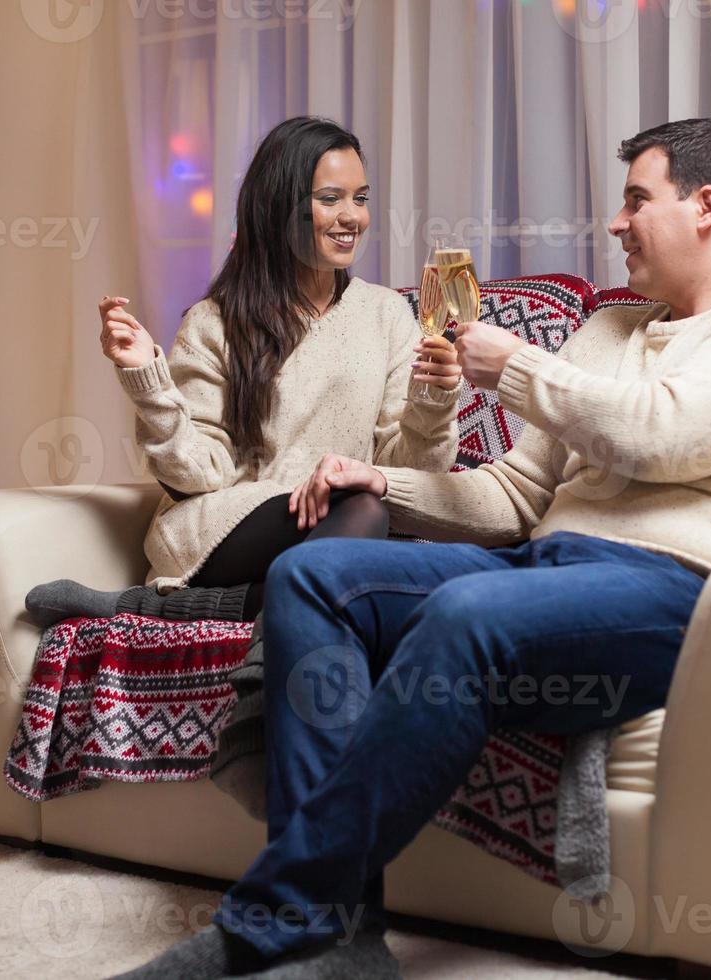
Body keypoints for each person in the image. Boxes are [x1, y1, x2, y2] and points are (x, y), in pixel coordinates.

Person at [111, 117, 711, 980]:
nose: (616, 224)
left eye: (634, 202)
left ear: (705, 206)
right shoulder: (609, 330)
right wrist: (378, 483)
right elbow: (510, 496)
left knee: (469, 610)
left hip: (682, 595)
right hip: (542, 571)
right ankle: (347, 944)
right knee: (316, 574)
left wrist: (516, 367)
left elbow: (663, 435)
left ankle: (270, 922)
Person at [26, 117, 462, 627]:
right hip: (225, 526)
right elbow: (197, 474)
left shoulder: (387, 314)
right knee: (360, 510)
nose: (352, 217)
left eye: (361, 199)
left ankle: (162, 611)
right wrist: (148, 380)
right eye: (330, 198)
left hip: (342, 524)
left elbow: (410, 471)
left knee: (366, 516)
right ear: (281, 208)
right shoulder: (215, 320)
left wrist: (433, 398)